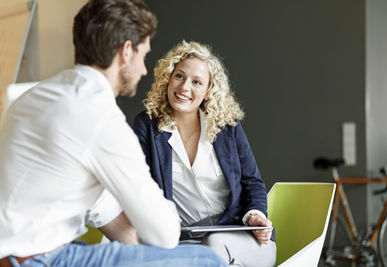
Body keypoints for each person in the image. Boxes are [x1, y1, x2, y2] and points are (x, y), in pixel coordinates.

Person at [0, 1, 227, 266]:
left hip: (17, 253)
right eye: (143, 56)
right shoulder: (98, 115)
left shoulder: (35, 96)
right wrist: (165, 214)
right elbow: (164, 234)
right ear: (126, 51)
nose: (144, 70)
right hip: (36, 260)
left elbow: (104, 212)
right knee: (206, 260)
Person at [131, 40, 276, 267]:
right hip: (184, 240)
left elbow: (252, 182)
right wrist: (160, 211)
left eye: (197, 82)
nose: (185, 87)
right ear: (168, 78)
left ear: (208, 91)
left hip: (238, 238)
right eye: (179, 76)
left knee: (214, 245)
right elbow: (138, 183)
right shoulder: (147, 126)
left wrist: (255, 216)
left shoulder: (227, 127)